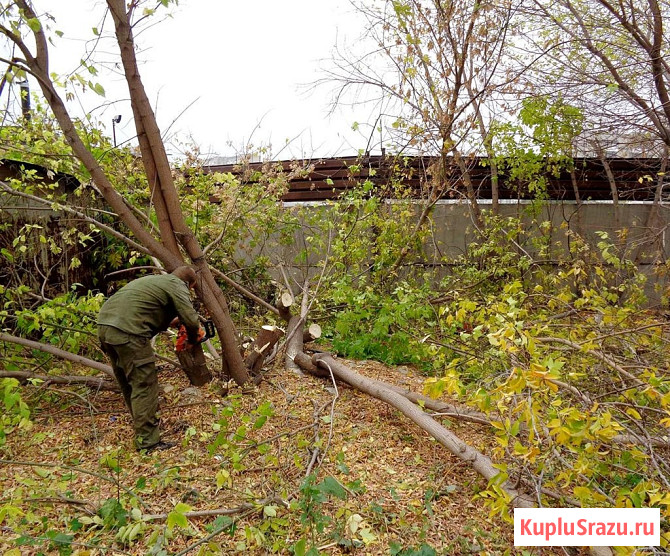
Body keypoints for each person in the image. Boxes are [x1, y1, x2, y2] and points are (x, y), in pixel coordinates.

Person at [98, 266, 202, 452]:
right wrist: (193, 338)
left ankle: (142, 429)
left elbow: (142, 311)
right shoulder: (176, 284)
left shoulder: (152, 282)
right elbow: (192, 320)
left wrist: (171, 322)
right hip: (129, 332)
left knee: (128, 382)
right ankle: (148, 443)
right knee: (144, 384)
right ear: (190, 284)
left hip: (106, 327)